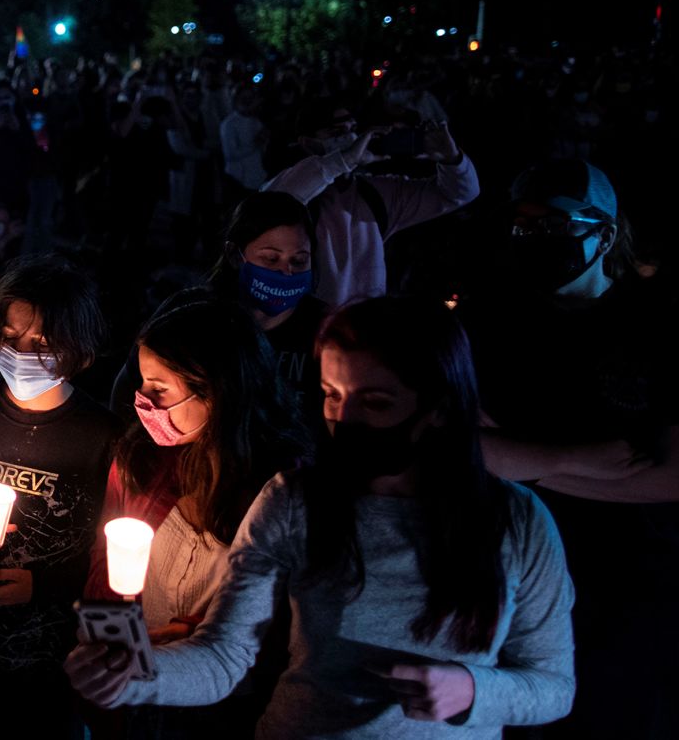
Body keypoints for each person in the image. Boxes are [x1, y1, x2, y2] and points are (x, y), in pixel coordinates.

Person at [68, 298, 576, 739]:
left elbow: (553, 686)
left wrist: (472, 690)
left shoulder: (517, 522)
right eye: (333, 395)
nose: (346, 420)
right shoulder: (294, 500)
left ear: (440, 407)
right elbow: (224, 657)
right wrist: (134, 673)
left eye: (376, 402)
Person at [469, 159, 677, 738]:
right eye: (524, 226)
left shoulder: (657, 323)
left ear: (604, 234)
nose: (535, 241)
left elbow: (670, 475)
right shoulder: (500, 318)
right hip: (517, 568)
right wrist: (576, 461)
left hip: (630, 578)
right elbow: (471, 446)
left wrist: (529, 463)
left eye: (555, 227)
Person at [88, 299, 312, 737]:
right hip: (137, 684)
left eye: (160, 389)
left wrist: (192, 635)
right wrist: (107, 635)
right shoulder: (140, 459)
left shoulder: (282, 490)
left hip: (230, 704)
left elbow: (289, 616)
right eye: (142, 382)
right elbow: (105, 556)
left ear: (216, 389)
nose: (143, 401)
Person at [0, 256, 121, 739]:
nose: (22, 352)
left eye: (42, 342)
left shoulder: (102, 435)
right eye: (12, 337)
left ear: (78, 350)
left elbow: (114, 544)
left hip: (58, 654)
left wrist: (46, 585)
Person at [110, 192, 329, 435]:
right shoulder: (189, 315)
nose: (286, 272)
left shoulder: (325, 329)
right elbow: (127, 397)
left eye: (299, 261)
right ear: (235, 256)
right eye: (270, 259)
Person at [262, 99, 479, 306]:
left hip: (367, 327)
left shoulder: (375, 192)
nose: (352, 139)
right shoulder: (293, 186)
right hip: (311, 331)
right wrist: (346, 159)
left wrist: (451, 158)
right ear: (308, 143)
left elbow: (459, 193)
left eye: (353, 129)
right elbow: (271, 204)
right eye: (337, 132)